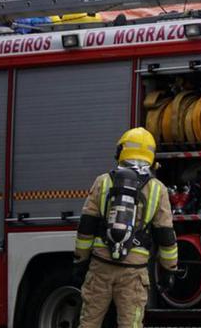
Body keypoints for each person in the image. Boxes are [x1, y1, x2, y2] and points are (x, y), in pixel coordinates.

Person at [73, 127, 178, 328]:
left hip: (101, 266)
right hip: (134, 272)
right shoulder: (158, 189)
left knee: (89, 323)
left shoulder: (103, 182)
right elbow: (165, 235)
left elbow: (86, 226)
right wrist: (169, 269)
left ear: (121, 151)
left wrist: (80, 260)